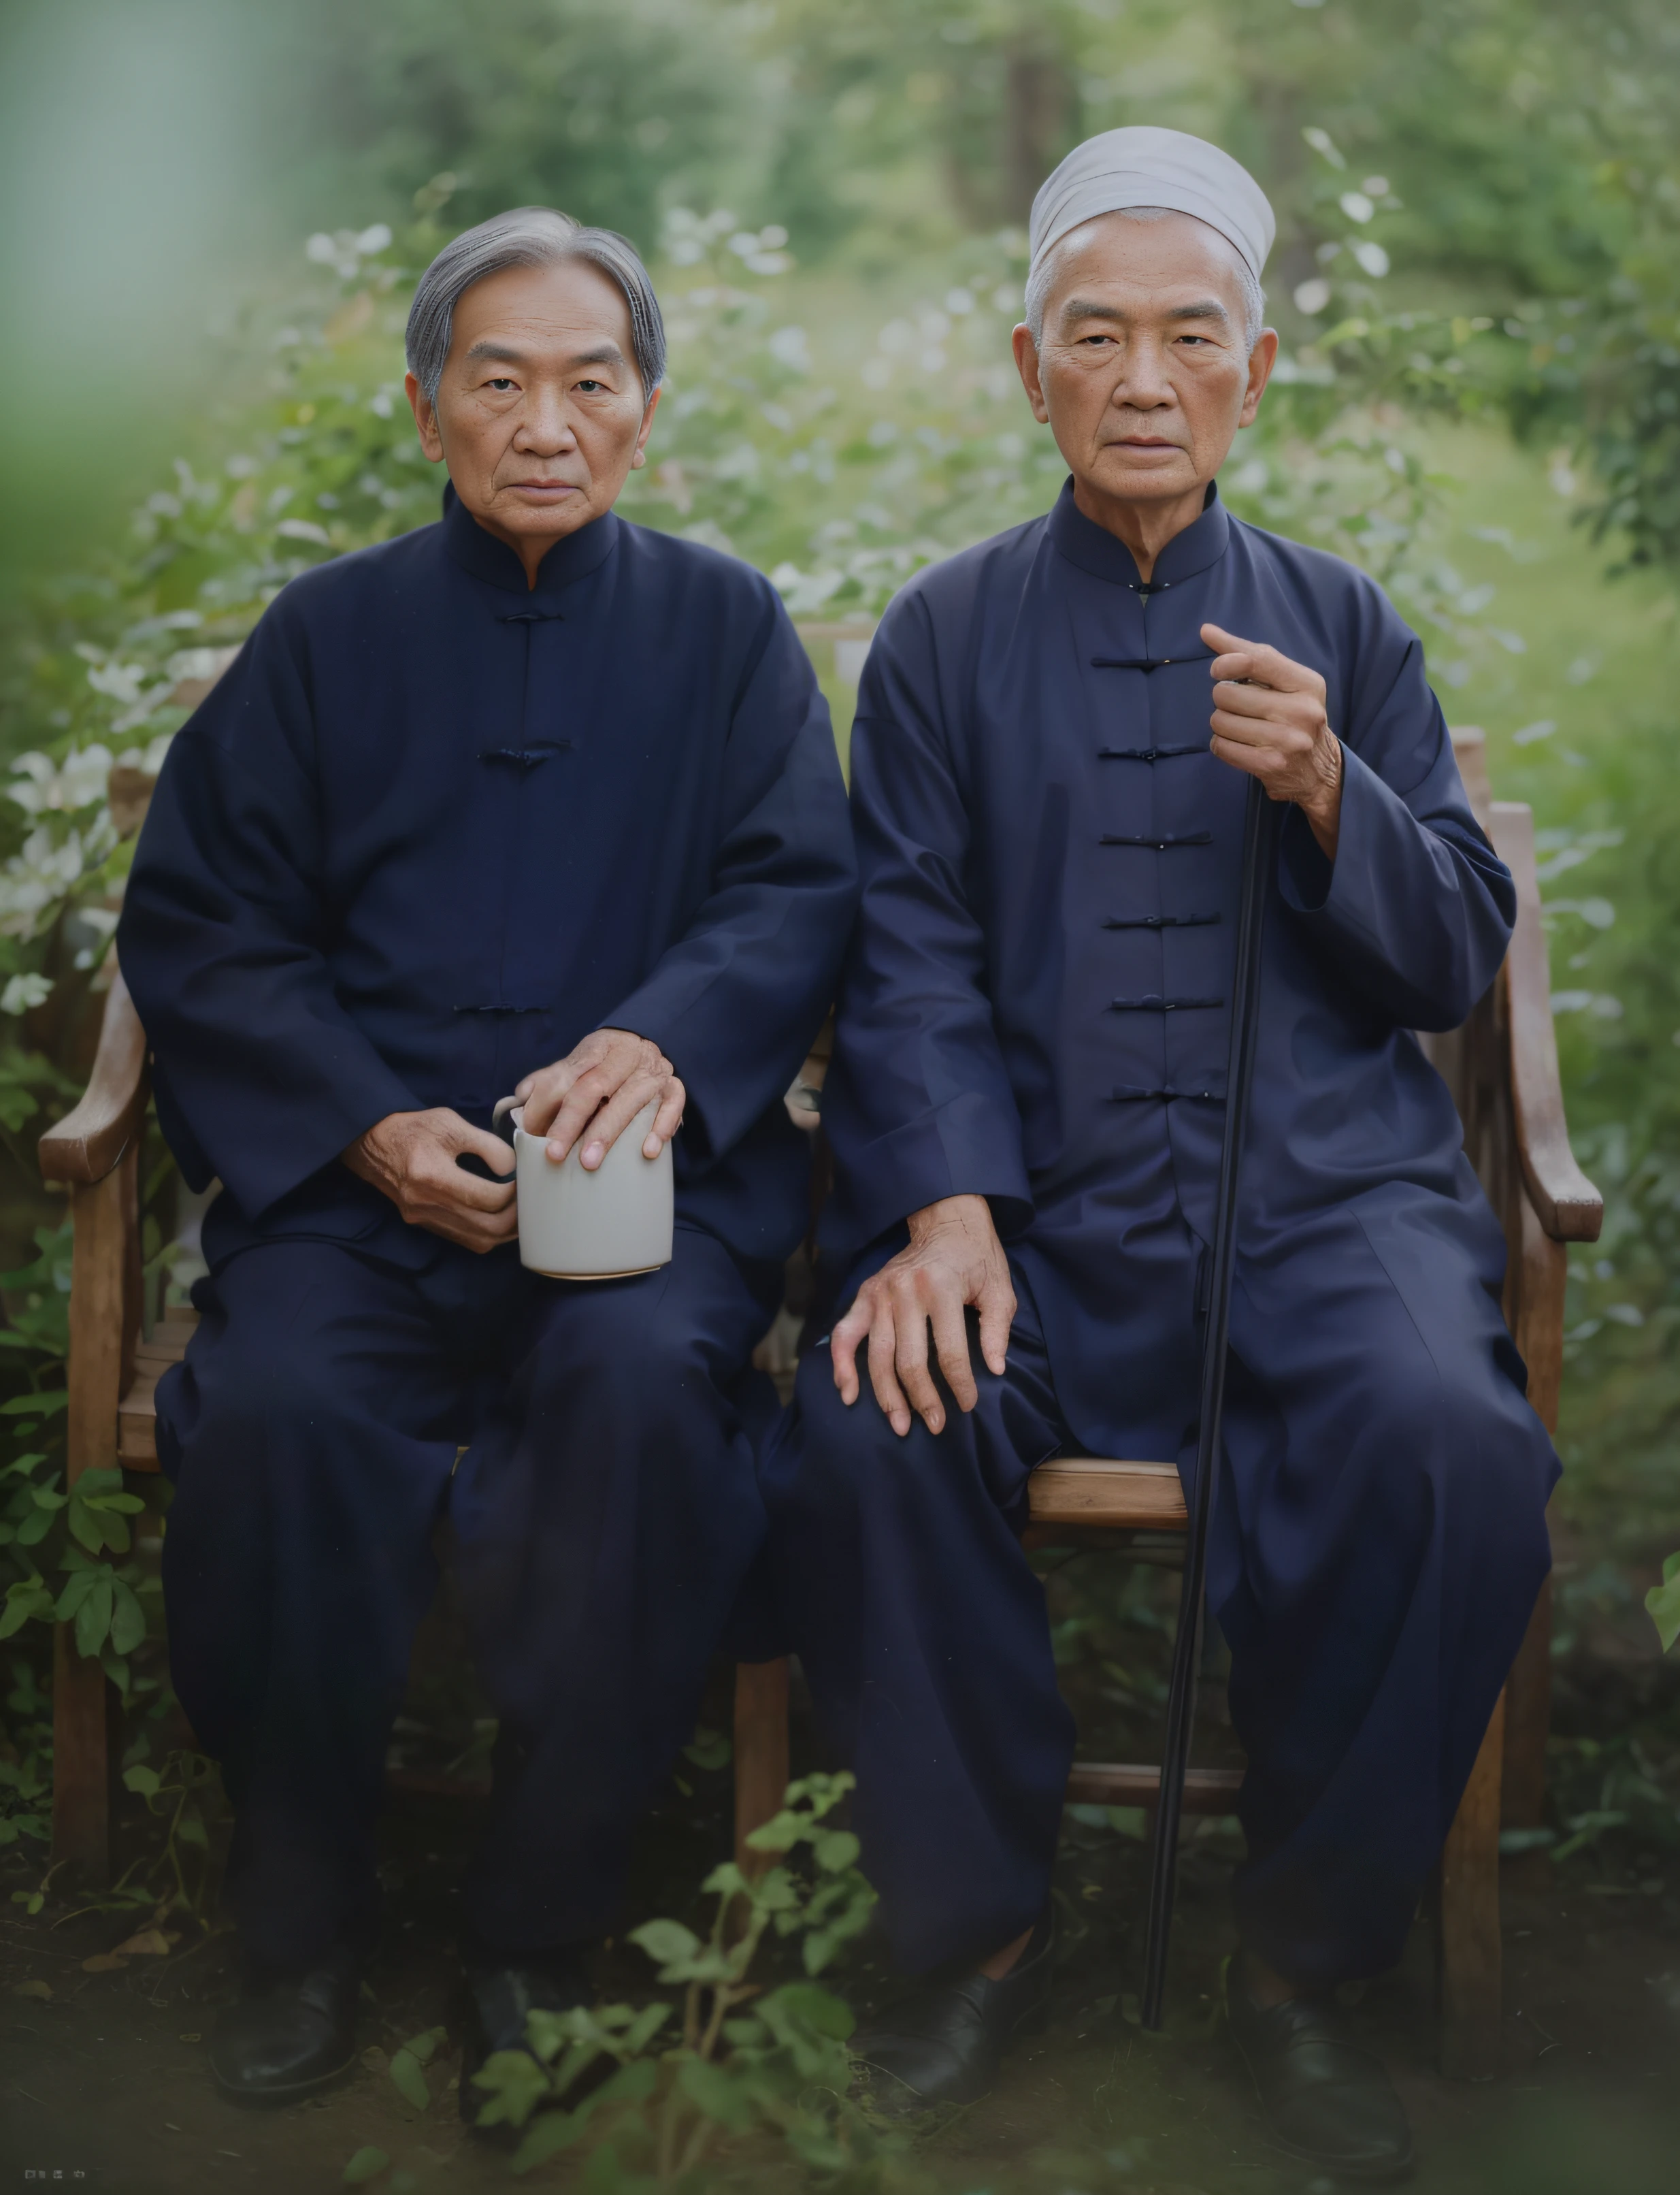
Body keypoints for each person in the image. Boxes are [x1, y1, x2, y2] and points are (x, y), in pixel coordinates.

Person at [763, 127, 1555, 2181]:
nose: (1140, 378)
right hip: (1028, 1217)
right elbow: (907, 949)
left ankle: (1305, 1962)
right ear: (1023, 364)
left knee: (1451, 1446)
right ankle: (975, 1929)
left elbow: (1452, 945)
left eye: (1185, 339)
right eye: (1092, 336)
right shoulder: (938, 640)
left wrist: (1327, 800)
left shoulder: (1339, 622)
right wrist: (940, 1212)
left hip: (1321, 1208)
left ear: (1256, 369)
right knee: (869, 1413)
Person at [117, 207, 856, 2109]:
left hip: (628, 1214)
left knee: (634, 1414)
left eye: (588, 381)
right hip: (362, 1209)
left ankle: (535, 1937)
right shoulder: (326, 639)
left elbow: (793, 889)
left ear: (646, 408)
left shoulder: (722, 631)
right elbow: (203, 926)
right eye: (499, 379)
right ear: (430, 404)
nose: (546, 421)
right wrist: (361, 1127)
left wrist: (661, 1042)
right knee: (276, 1417)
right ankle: (298, 1920)